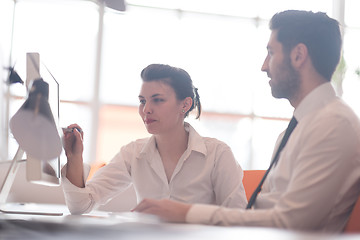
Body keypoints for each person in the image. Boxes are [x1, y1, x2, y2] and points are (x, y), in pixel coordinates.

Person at [133, 10, 360, 232]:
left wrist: (187, 213)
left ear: (298, 55)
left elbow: (292, 222)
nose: (264, 65)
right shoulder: (298, 127)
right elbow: (266, 210)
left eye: (271, 52)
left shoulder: (334, 125)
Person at [61, 64, 248, 215]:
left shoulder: (218, 154)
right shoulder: (132, 153)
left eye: (157, 100)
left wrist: (186, 213)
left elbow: (239, 219)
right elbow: (81, 205)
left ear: (185, 104)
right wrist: (74, 157)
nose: (146, 109)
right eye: (142, 101)